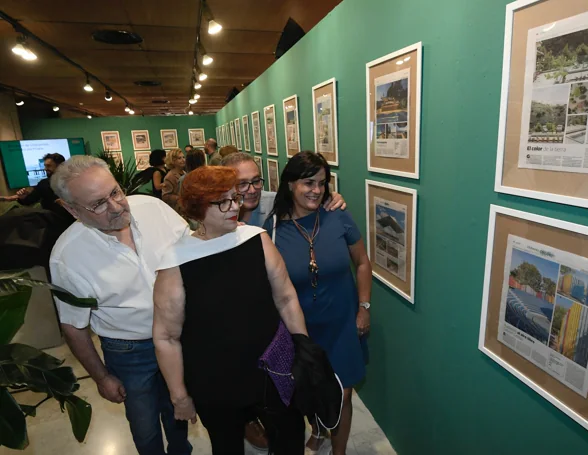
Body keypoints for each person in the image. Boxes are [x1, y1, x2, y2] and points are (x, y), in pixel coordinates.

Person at [153, 166, 308, 455]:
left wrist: (303, 349)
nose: (234, 207)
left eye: (234, 198)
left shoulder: (256, 238)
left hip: (272, 366)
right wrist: (179, 396)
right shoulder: (176, 260)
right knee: (227, 447)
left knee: (289, 435)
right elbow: (166, 337)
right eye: (222, 201)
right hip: (215, 380)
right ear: (198, 208)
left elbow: (286, 298)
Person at [49, 156, 192, 455]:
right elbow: (73, 327)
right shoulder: (67, 257)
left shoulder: (152, 208)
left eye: (115, 192)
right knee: (144, 426)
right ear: (72, 210)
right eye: (98, 204)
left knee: (179, 411)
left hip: (179, 337)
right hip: (129, 352)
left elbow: (194, 252)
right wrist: (101, 377)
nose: (116, 207)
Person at [263, 151, 372, 455]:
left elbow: (362, 263)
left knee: (343, 395)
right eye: (308, 182)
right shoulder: (272, 229)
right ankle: (318, 427)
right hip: (301, 330)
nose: (316, 190)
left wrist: (364, 308)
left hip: (342, 324)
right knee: (309, 390)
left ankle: (339, 452)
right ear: (290, 185)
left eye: (322, 183)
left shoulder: (338, 216)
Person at [221, 152, 345, 228]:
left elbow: (309, 198)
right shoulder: (214, 214)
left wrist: (331, 197)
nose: (252, 190)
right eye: (242, 184)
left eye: (256, 181)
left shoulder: (278, 202)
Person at [0, 153, 70, 218]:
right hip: (53, 221)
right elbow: (29, 201)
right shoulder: (43, 184)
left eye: (48, 166)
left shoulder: (72, 181)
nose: (45, 169)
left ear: (60, 166)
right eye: (45, 166)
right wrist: (23, 198)